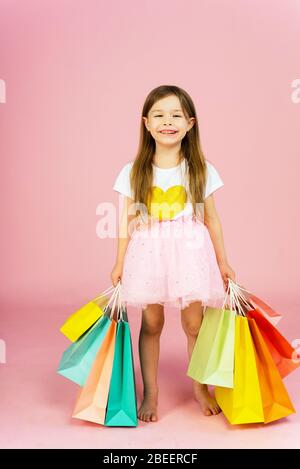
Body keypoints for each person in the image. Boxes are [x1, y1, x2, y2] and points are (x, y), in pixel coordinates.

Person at [111, 85, 236, 423]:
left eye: (176, 115)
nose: (168, 121)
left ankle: (200, 388)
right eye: (159, 115)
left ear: (190, 123)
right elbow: (125, 221)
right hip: (148, 254)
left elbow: (212, 219)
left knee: (194, 323)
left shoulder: (200, 168)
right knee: (152, 322)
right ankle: (151, 392)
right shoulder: (134, 170)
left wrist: (223, 262)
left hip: (190, 252)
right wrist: (119, 262)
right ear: (146, 124)